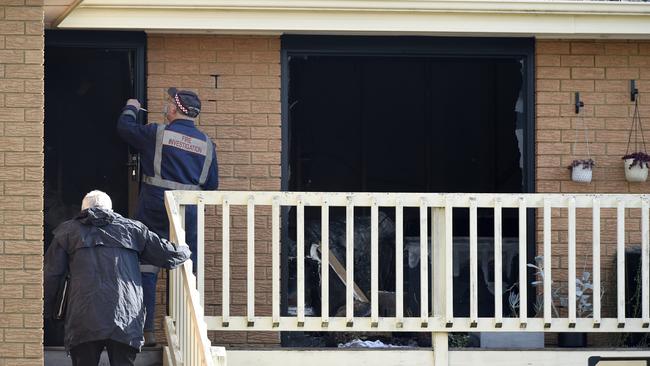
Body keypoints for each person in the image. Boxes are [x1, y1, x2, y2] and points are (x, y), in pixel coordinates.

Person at [117, 88, 219, 344]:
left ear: (174, 109)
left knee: (147, 266)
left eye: (168, 104)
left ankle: (146, 330)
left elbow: (124, 128)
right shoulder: (207, 145)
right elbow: (212, 185)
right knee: (183, 267)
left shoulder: (157, 133)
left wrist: (131, 106)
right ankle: (182, 332)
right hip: (189, 211)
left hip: (154, 206)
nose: (165, 107)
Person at [43, 190, 191, 366]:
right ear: (111, 210)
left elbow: (51, 276)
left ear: (83, 210)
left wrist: (47, 313)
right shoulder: (133, 229)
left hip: (83, 318)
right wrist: (186, 249)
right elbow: (168, 255)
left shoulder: (67, 232)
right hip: (125, 316)